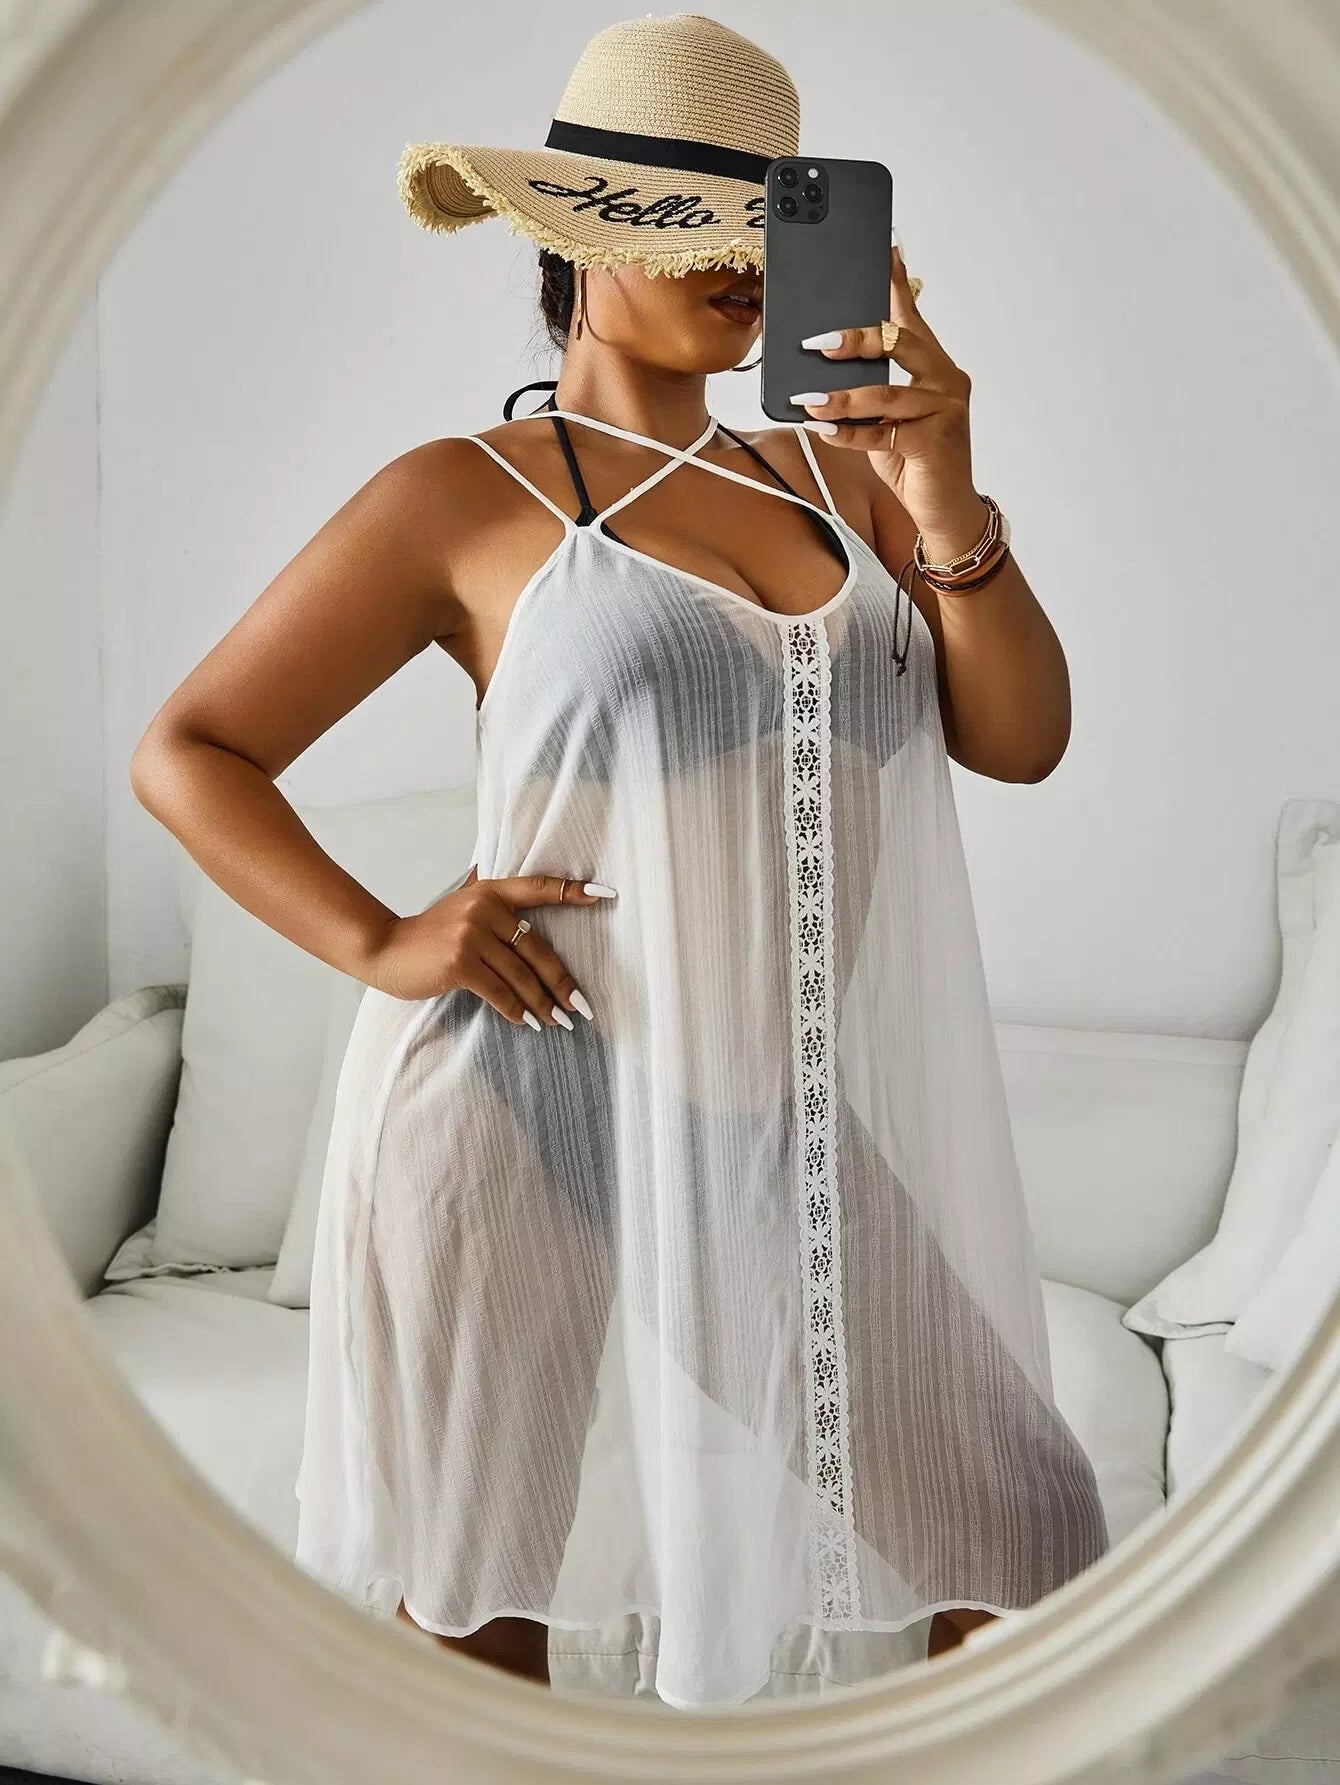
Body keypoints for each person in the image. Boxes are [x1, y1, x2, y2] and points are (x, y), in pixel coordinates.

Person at [130, 13, 1109, 1711]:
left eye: (770, 230)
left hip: (765, 1121)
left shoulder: (844, 472)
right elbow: (193, 748)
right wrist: (383, 938)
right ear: (576, 235)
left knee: (1027, 1535)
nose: (747, 268)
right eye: (702, 228)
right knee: (485, 1631)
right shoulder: (461, 495)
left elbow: (1019, 740)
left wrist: (944, 490)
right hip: (514, 1108)